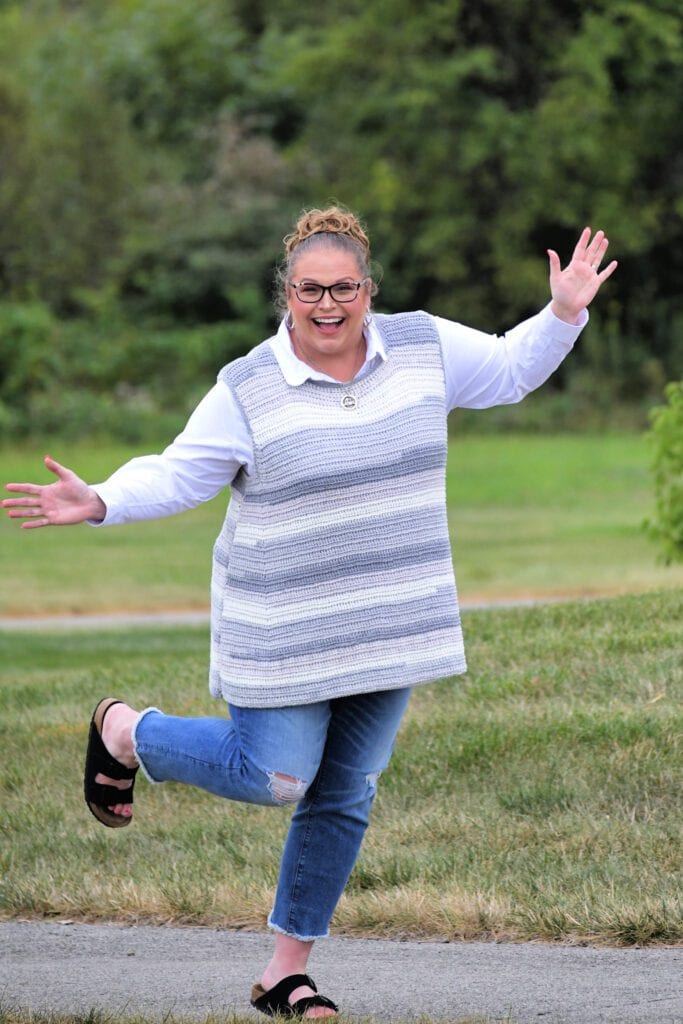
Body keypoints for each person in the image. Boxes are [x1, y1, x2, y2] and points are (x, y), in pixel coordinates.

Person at [2, 206, 617, 1018]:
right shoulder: (249, 386)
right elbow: (182, 473)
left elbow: (508, 370)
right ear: (284, 293)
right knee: (275, 775)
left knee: (346, 791)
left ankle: (284, 973)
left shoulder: (423, 347)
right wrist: (104, 498)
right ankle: (125, 730)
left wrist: (562, 313)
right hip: (282, 629)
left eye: (343, 289)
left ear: (369, 289)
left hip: (389, 622)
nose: (326, 305)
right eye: (308, 290)